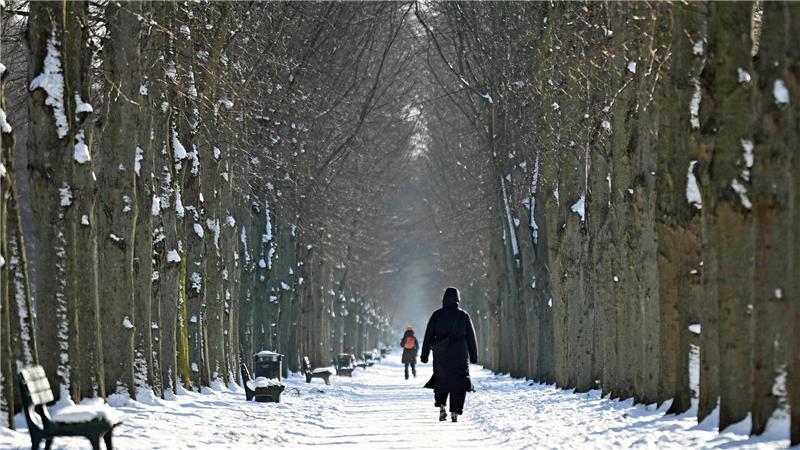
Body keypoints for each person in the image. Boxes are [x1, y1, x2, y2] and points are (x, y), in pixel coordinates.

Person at [420, 287, 478, 423]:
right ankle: (455, 412)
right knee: (459, 383)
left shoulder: (436, 315)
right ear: (458, 299)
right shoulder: (463, 316)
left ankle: (441, 406)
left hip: (441, 356)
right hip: (460, 356)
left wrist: (424, 355)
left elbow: (428, 336)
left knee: (441, 380)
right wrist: (474, 356)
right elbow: (471, 338)